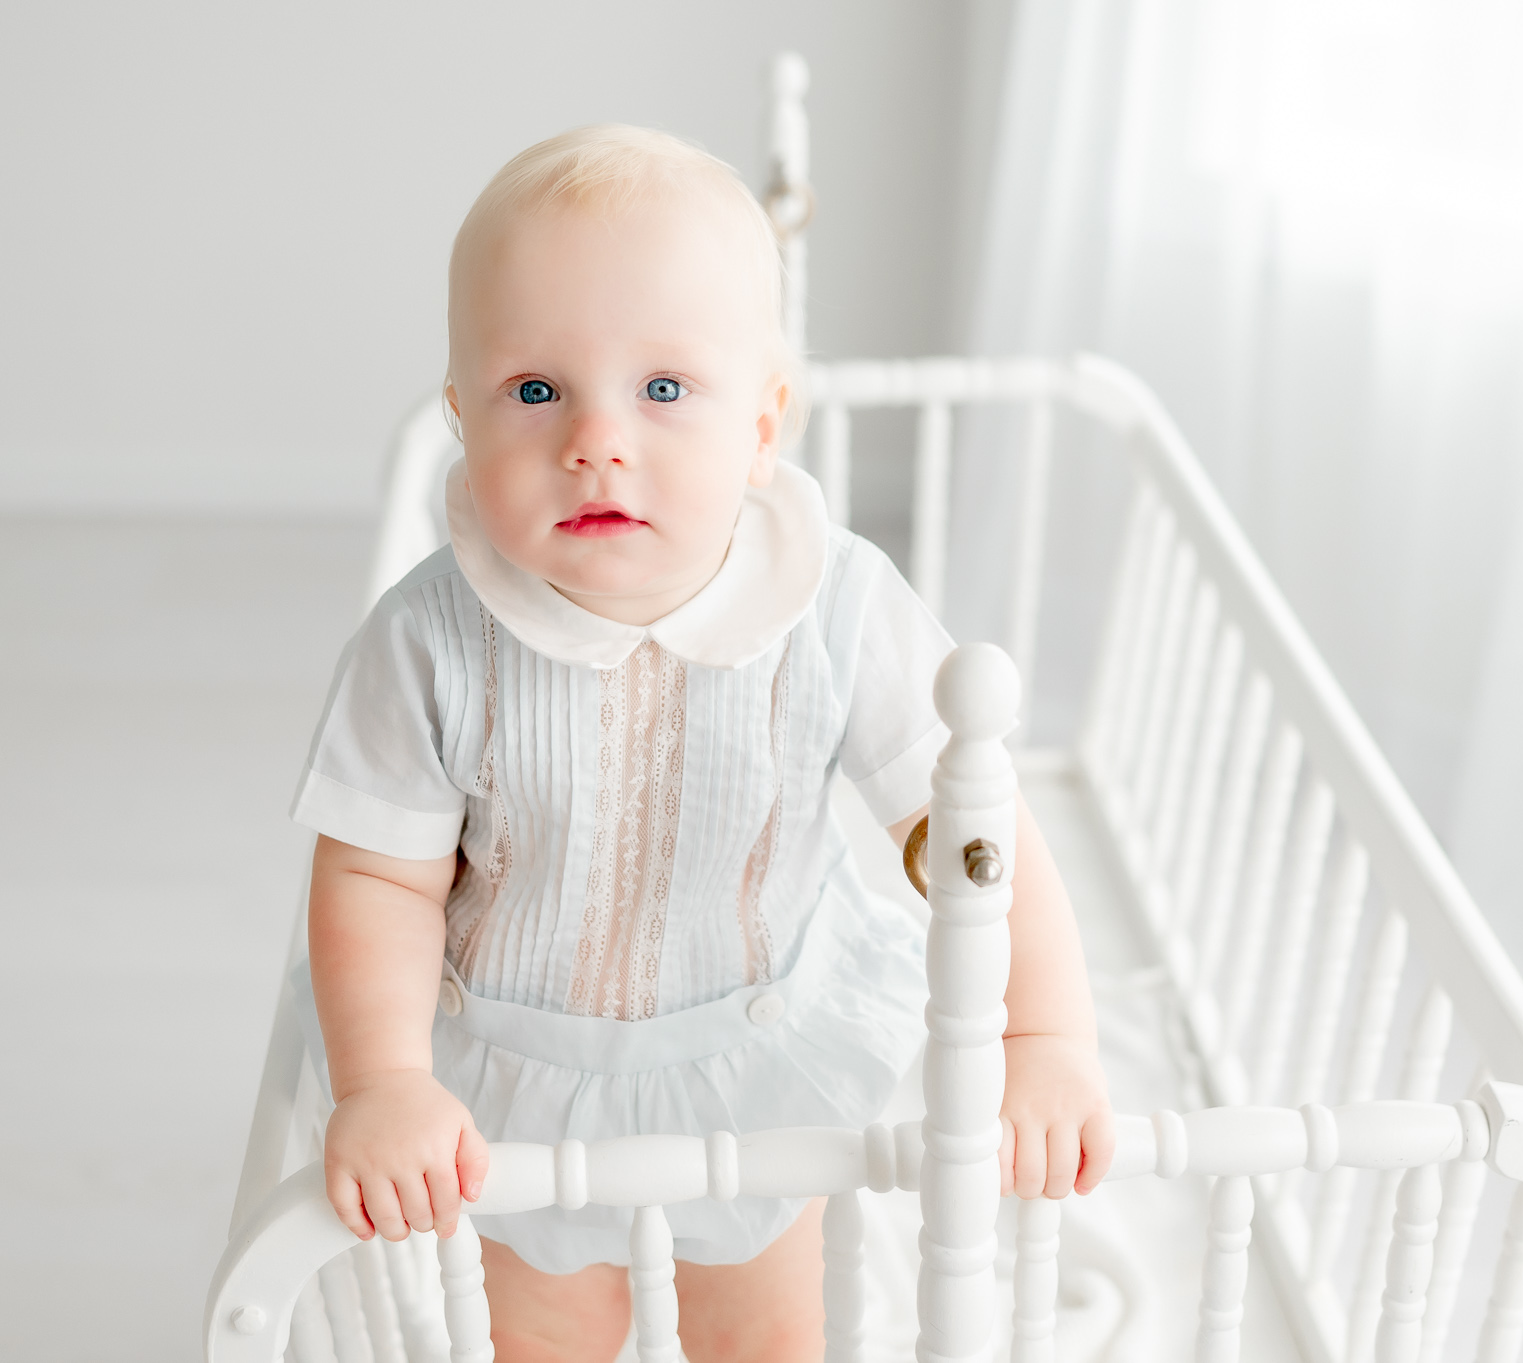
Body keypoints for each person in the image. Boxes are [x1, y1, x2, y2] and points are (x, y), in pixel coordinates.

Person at [293, 124, 1111, 1363]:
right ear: (461, 415)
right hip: (519, 1060)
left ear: (766, 419)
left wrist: (1042, 1035)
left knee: (763, 1329)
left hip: (756, 1044)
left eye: (663, 389)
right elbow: (374, 877)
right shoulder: (425, 642)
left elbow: (973, 833)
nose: (596, 440)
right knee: (544, 1331)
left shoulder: (833, 602)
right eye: (534, 390)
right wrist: (383, 1083)